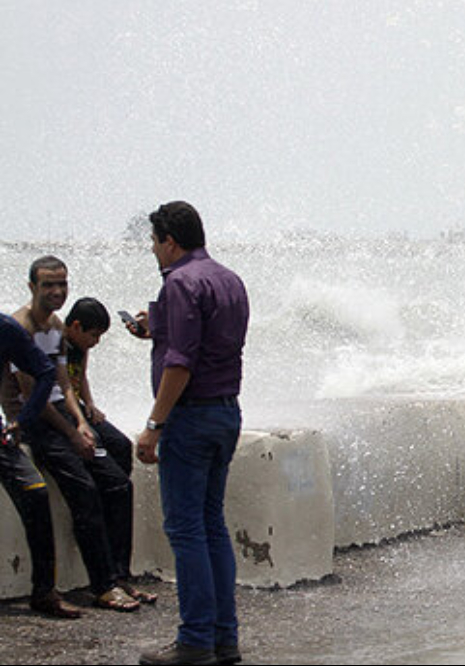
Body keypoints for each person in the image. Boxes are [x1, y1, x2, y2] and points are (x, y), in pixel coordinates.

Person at [132, 202, 250, 666]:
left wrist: (153, 426)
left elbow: (181, 362)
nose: (155, 253)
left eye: (155, 244)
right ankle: (224, 638)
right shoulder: (229, 279)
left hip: (191, 418)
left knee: (185, 531)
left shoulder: (180, 281)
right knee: (211, 525)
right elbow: (210, 340)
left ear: (170, 241)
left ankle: (195, 640)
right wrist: (155, 328)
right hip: (226, 413)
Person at [1, 256, 140, 612]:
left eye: (62, 284)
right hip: (36, 423)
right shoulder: (21, 328)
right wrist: (72, 433)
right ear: (32, 287)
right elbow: (34, 396)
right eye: (48, 285)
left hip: (61, 416)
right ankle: (102, 585)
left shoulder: (56, 327)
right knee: (85, 489)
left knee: (118, 483)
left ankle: (119, 576)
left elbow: (64, 383)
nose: (57, 291)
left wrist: (81, 422)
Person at [64, 296, 157, 603]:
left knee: (120, 445)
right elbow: (60, 387)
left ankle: (119, 567)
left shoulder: (80, 346)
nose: (96, 342)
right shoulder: (55, 344)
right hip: (62, 418)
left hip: (76, 409)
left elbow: (79, 381)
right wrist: (80, 421)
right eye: (93, 336)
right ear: (76, 326)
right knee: (118, 485)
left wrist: (89, 405)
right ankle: (111, 576)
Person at [0, 312, 83, 618]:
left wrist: (23, 419)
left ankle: (44, 591)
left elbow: (46, 372)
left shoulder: (5, 328)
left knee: (35, 492)